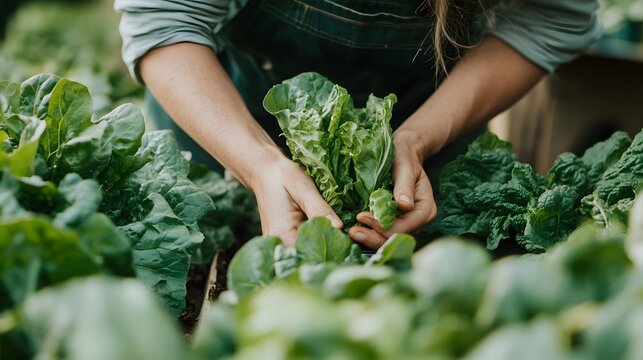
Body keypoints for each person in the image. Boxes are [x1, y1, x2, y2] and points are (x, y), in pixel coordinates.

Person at [114, 0, 601, 249]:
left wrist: (417, 138)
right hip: (220, 129)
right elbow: (163, 16)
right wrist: (259, 165)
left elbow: (551, 19)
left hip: (429, 145)